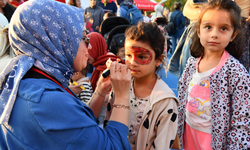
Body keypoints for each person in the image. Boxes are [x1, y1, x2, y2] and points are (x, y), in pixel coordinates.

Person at [0, 0, 132, 149]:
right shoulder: (48, 102)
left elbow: (80, 125)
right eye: (84, 38)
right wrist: (122, 96)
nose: (91, 45)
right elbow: (113, 147)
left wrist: (100, 89)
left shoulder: (25, 79)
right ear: (55, 40)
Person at [177, 0, 250, 149]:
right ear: (198, 30)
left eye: (223, 29)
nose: (214, 34)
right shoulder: (191, 63)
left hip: (215, 141)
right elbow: (181, 96)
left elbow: (241, 121)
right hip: (189, 132)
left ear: (233, 35)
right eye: (208, 27)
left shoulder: (236, 72)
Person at [105, 22, 179, 150]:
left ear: (158, 60)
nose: (133, 62)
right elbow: (109, 123)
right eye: (128, 55)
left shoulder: (165, 101)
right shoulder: (121, 85)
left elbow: (162, 144)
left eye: (142, 56)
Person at [87, 32, 124, 125]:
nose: (86, 54)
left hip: (109, 113)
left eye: (89, 50)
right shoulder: (100, 63)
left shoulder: (110, 63)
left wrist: (97, 96)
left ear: (96, 47)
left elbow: (118, 93)